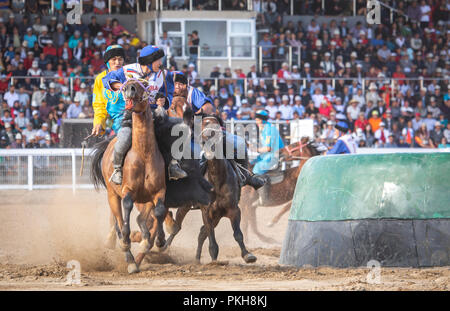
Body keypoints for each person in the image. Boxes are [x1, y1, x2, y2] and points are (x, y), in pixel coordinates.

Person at [102, 45, 186, 184]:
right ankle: (117, 170)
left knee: (180, 129)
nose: (160, 63)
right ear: (149, 60)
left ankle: (173, 164)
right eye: (158, 60)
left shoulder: (165, 74)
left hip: (155, 113)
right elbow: (107, 80)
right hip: (132, 114)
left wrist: (164, 100)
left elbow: (169, 93)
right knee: (123, 139)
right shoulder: (128, 70)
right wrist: (121, 86)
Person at [251, 110, 285, 175]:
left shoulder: (269, 129)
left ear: (263, 120)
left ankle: (261, 184)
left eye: (258, 120)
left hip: (275, 156)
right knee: (251, 163)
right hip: (267, 155)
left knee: (257, 169)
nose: (256, 122)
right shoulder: (264, 128)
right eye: (256, 120)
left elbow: (268, 148)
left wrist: (256, 149)